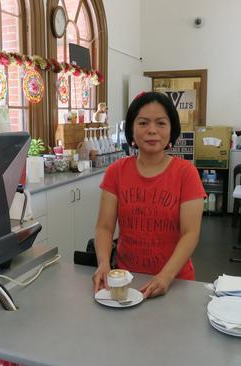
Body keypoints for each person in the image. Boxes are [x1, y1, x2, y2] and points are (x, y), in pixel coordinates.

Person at [92, 92, 206, 299]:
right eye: (143, 123)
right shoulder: (116, 172)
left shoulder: (186, 173)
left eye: (161, 123)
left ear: (171, 129)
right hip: (126, 281)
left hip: (175, 282)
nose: (152, 130)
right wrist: (103, 264)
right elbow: (104, 227)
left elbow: (190, 234)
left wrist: (166, 276)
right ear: (132, 129)